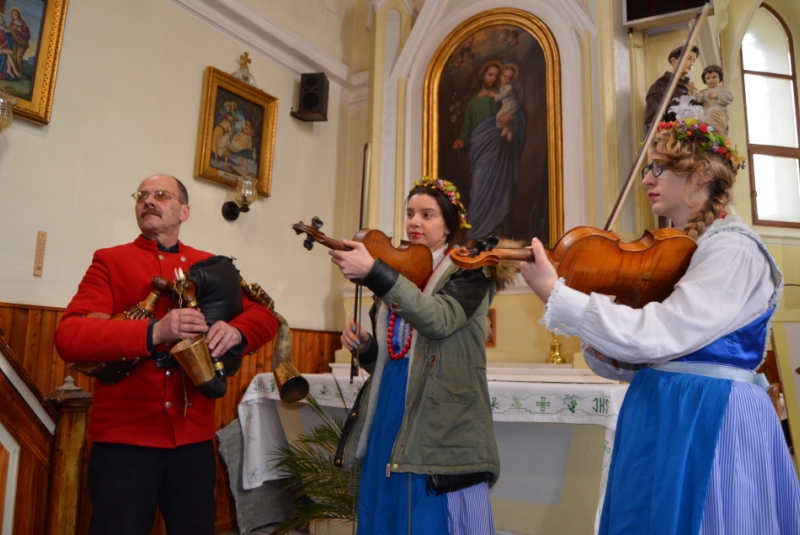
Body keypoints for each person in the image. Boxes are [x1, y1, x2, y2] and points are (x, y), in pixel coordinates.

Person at [520, 119, 800, 533]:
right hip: (669, 408)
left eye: (658, 169)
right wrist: (605, 341)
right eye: (649, 168)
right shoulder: (683, 250)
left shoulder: (733, 249)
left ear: (701, 175)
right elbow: (643, 356)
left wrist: (559, 296)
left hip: (708, 413)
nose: (647, 179)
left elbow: (661, 333)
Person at [54, 174, 277, 535]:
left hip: (194, 440)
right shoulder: (110, 262)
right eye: (141, 195)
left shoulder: (212, 264)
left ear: (184, 211)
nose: (148, 200)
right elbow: (70, 336)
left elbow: (265, 315)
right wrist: (155, 331)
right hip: (125, 441)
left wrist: (238, 331)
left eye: (161, 195)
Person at [331, 177, 516, 535]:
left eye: (427, 215)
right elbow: (394, 358)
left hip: (439, 411)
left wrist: (375, 273)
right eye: (410, 213)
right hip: (390, 403)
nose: (414, 222)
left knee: (427, 511)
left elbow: (439, 320)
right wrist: (367, 347)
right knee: (388, 505)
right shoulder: (399, 271)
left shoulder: (471, 268)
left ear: (449, 225)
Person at [453, 61, 527, 241]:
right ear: (483, 76)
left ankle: (502, 236)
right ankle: (476, 235)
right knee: (479, 189)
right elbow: (467, 127)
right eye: (490, 75)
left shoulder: (501, 97)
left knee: (501, 188)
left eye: (496, 75)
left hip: (500, 151)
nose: (493, 79)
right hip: (481, 150)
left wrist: (512, 119)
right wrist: (462, 141)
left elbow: (517, 113)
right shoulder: (473, 103)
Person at [644, 45, 699, 133]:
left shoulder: (692, 90)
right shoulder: (661, 86)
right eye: (688, 58)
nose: (692, 62)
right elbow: (653, 125)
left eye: (693, 60)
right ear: (674, 61)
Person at [693, 65, 733, 135]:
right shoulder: (703, 91)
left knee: (714, 117)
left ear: (719, 77)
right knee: (703, 121)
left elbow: (730, 97)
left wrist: (718, 95)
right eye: (708, 78)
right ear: (705, 80)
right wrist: (692, 91)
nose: (711, 80)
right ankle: (708, 130)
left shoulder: (723, 89)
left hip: (718, 110)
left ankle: (715, 131)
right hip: (706, 112)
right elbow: (698, 98)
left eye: (714, 77)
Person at [495, 64, 519, 141]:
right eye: (505, 76)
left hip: (511, 105)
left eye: (509, 78)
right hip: (506, 104)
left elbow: (501, 97)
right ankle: (509, 131)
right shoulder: (501, 87)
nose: (507, 79)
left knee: (499, 116)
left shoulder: (509, 87)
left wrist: (494, 95)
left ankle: (506, 127)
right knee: (500, 116)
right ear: (500, 76)